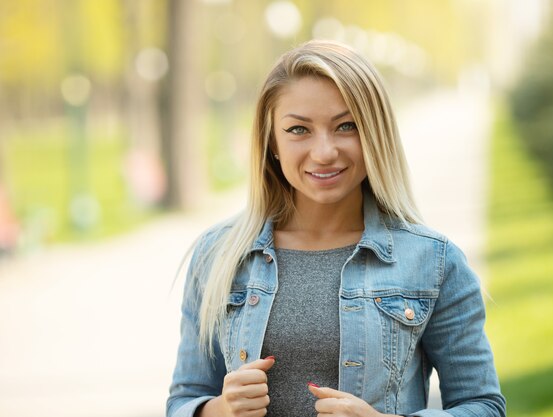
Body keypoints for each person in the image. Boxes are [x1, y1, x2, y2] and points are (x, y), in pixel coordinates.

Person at [167, 39, 506, 417]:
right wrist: (219, 409)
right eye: (298, 130)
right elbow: (183, 401)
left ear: (375, 135)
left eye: (346, 126)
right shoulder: (219, 255)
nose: (325, 152)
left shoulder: (434, 262)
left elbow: (484, 406)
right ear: (272, 142)